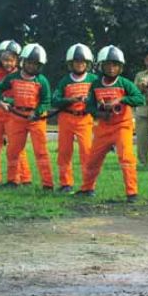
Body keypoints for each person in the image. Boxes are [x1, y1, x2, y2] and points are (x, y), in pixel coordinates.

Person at [77, 45, 145, 202]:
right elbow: (89, 107)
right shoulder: (96, 84)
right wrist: (100, 112)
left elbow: (139, 99)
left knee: (126, 157)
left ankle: (131, 192)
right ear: (101, 65)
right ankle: (87, 188)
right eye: (108, 64)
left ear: (120, 67)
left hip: (122, 126)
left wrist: (120, 99)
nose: (111, 68)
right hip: (103, 128)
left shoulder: (124, 83)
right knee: (93, 159)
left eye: (115, 65)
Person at [0, 43, 54, 189]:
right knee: (13, 150)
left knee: (41, 151)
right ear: (23, 61)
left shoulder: (42, 81)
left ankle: (47, 184)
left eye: (36, 64)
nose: (32, 66)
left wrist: (38, 112)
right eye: (29, 63)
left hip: (36, 120)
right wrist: (1, 100)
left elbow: (46, 102)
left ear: (40, 66)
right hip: (17, 117)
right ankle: (13, 180)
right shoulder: (13, 77)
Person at [0, 40, 32, 185]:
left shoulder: (22, 76)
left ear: (17, 60)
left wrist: (8, 103)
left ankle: (23, 178)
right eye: (5, 60)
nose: (8, 63)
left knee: (16, 146)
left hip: (14, 115)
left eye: (11, 60)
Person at [52, 44, 99, 193]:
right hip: (66, 118)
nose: (80, 64)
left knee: (87, 152)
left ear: (88, 63)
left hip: (84, 119)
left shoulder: (93, 79)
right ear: (71, 64)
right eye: (76, 62)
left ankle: (89, 186)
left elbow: (102, 95)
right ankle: (66, 183)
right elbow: (55, 99)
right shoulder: (65, 80)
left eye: (83, 62)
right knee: (64, 152)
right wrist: (71, 100)